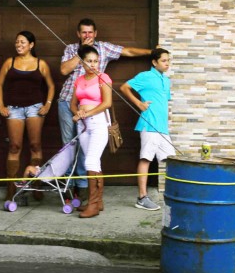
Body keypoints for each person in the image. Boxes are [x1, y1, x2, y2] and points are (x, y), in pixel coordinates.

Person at [57, 18, 151, 197]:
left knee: (87, 149)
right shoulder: (70, 48)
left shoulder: (104, 48)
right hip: (68, 101)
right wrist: (81, 53)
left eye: (90, 32)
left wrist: (152, 52)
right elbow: (63, 70)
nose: (87, 35)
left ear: (95, 33)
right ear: (78, 34)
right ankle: (69, 188)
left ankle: (84, 187)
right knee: (68, 145)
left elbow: (128, 51)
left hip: (92, 108)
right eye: (84, 32)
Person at [0, 31, 55, 204]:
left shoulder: (40, 63)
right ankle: (11, 188)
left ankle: (35, 184)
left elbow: (50, 85)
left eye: (22, 42)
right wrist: (0, 105)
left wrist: (48, 104)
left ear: (31, 45)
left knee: (35, 145)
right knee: (14, 146)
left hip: (35, 108)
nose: (19, 45)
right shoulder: (10, 62)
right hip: (13, 109)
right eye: (17, 42)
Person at [119, 48, 174, 211]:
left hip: (162, 128)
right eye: (164, 61)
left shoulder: (166, 80)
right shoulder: (145, 76)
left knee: (172, 160)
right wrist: (139, 104)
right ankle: (142, 198)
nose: (167, 64)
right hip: (149, 125)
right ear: (154, 62)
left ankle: (174, 195)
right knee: (146, 159)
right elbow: (124, 88)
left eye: (169, 60)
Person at [71, 45, 113, 219]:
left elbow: (107, 103)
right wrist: (78, 113)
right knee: (93, 162)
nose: (94, 64)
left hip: (98, 123)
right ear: (82, 62)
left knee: (90, 161)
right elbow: (73, 104)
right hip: (83, 124)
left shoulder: (103, 77)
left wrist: (86, 113)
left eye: (96, 61)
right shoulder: (79, 80)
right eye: (89, 61)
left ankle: (93, 205)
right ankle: (97, 202)